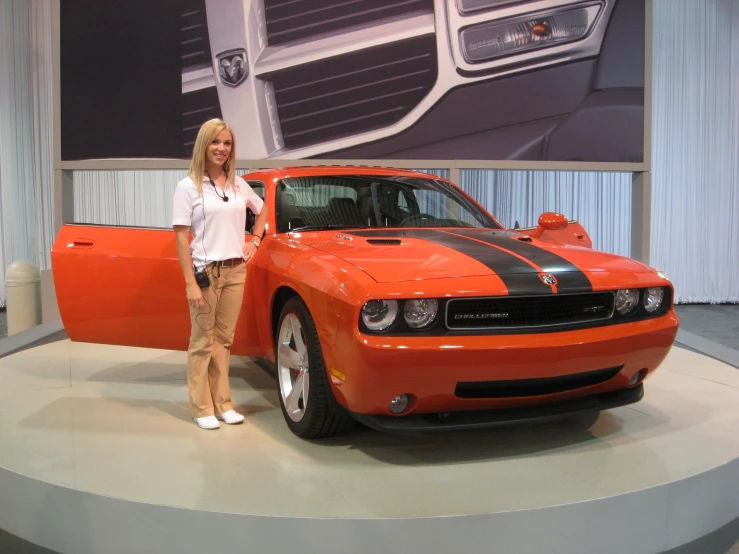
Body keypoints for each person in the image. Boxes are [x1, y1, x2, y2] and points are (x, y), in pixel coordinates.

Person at [172, 119, 267, 430]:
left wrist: (255, 240)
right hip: (205, 273)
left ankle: (223, 404)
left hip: (235, 269)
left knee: (224, 341)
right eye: (215, 142)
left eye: (227, 143)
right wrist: (190, 283)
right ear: (204, 145)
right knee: (202, 341)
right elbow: (181, 239)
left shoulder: (239, 185)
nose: (221, 149)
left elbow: (263, 209)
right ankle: (201, 408)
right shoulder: (188, 187)